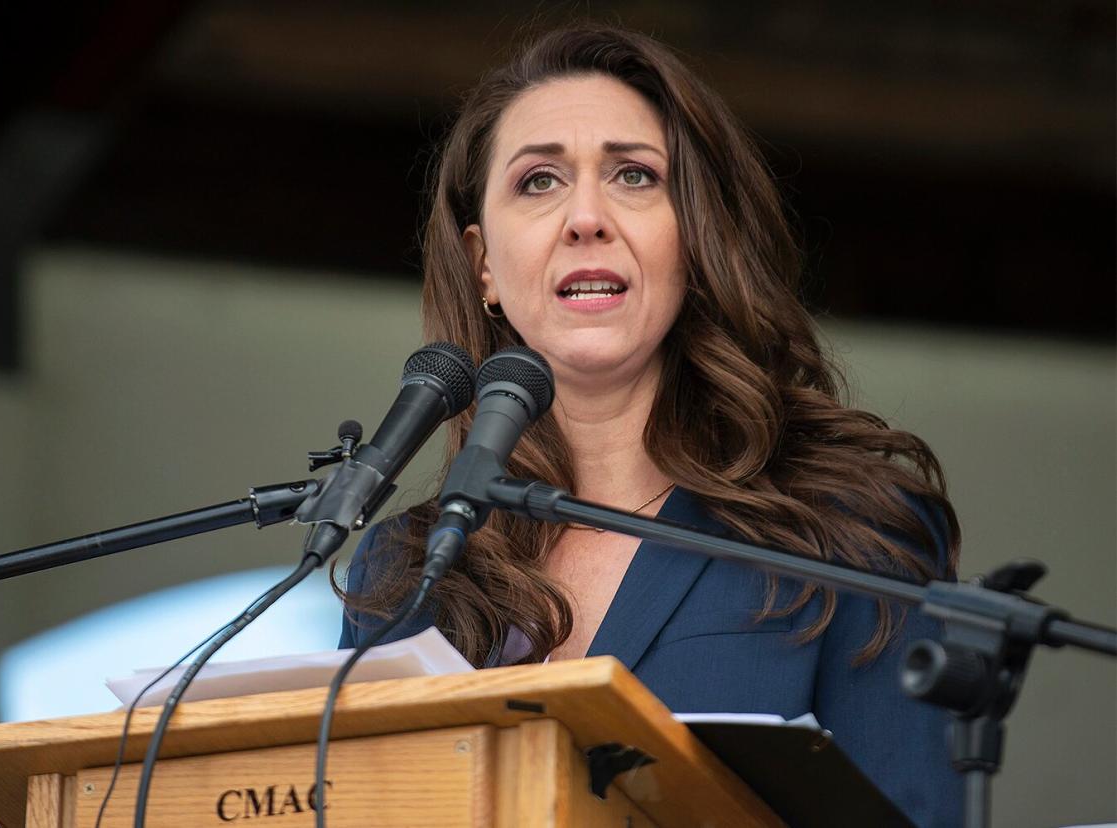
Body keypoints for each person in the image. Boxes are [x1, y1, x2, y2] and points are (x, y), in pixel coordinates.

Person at [337, 24, 963, 827]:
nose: (585, 217)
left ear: (696, 239)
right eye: (538, 182)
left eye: (634, 175)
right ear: (483, 264)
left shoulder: (851, 535)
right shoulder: (404, 569)